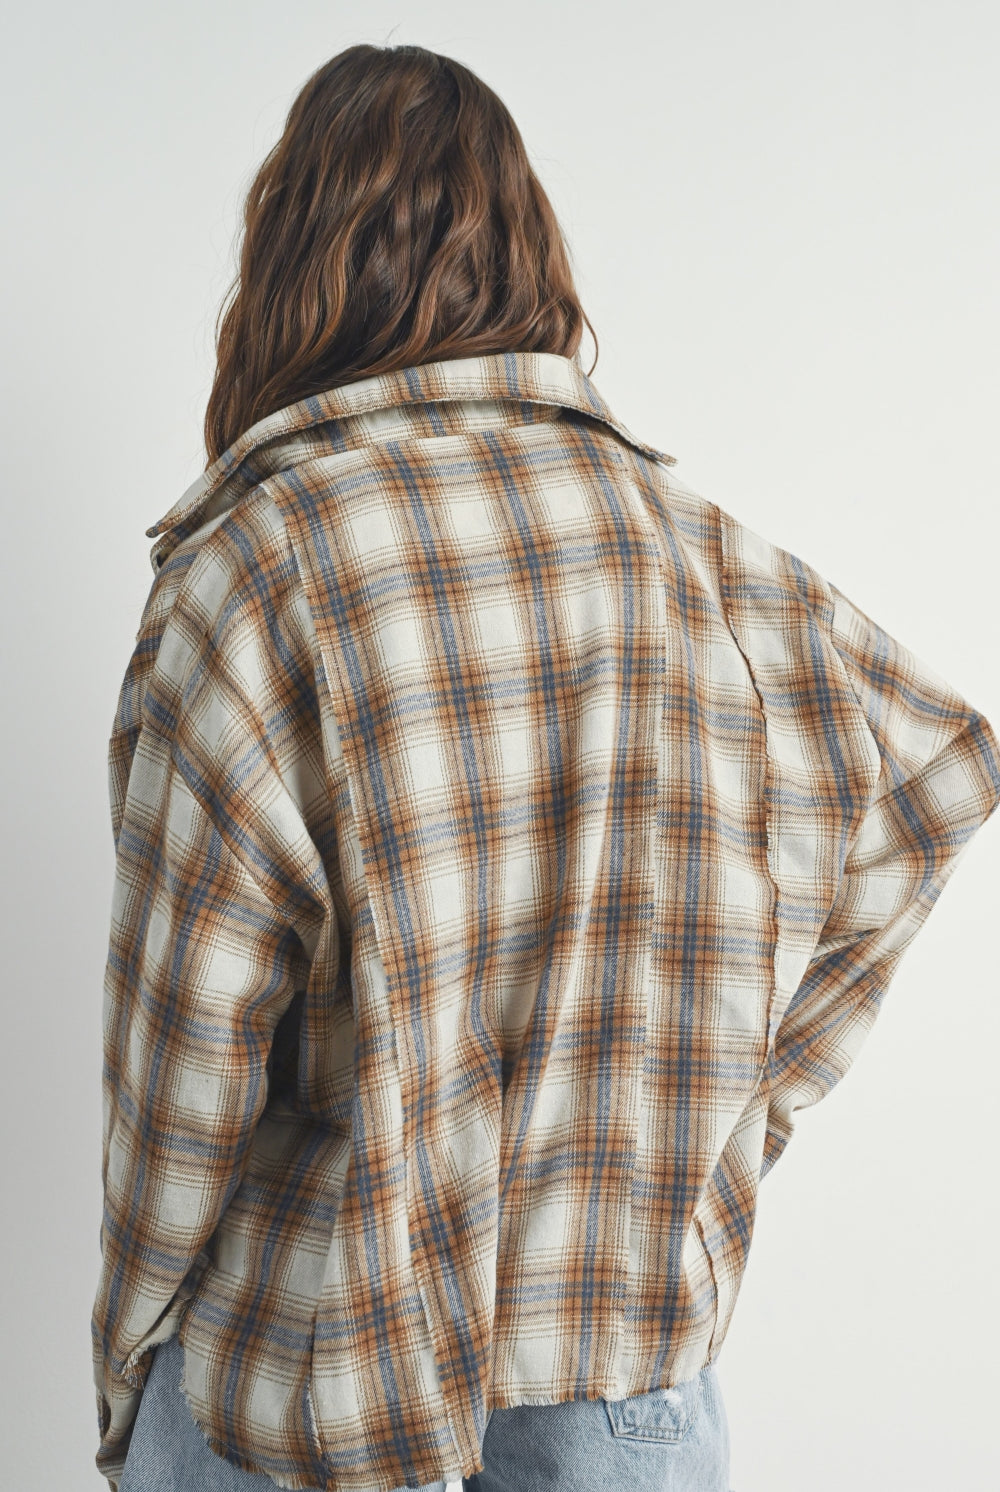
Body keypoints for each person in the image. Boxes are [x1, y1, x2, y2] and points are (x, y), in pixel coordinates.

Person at [90, 41, 1000, 1492]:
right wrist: (723, 1115)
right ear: (527, 250)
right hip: (624, 1370)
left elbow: (181, 1062)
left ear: (290, 265)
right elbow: (931, 782)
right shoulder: (691, 551)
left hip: (312, 1378)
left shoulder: (258, 569)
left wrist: (128, 1345)